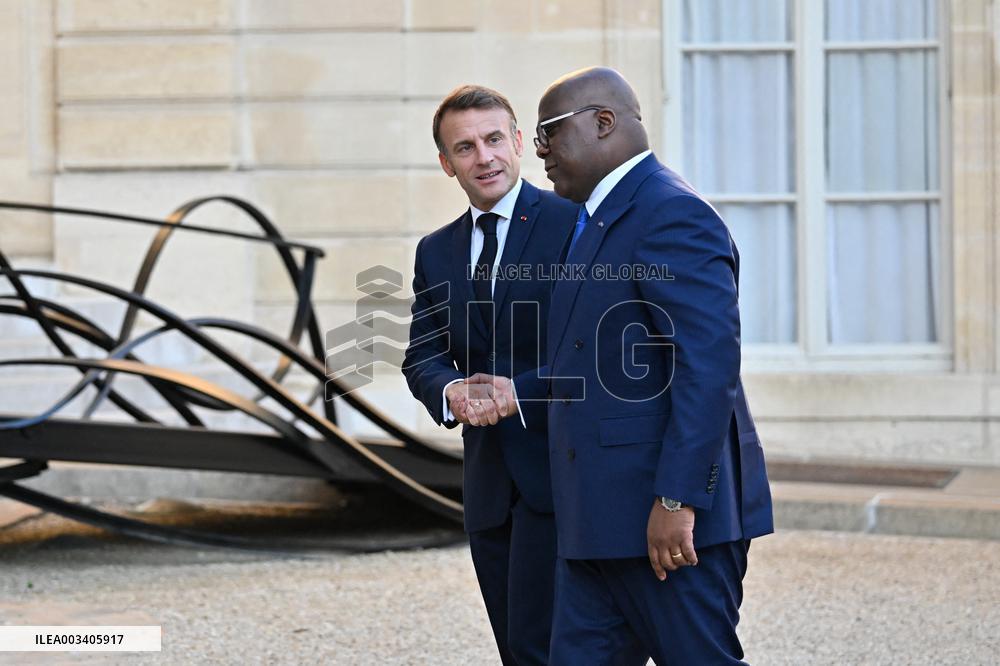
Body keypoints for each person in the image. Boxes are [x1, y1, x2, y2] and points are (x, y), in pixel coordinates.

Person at [466, 67, 774, 664]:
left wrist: (679, 500)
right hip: (593, 530)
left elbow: (706, 369)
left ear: (603, 122)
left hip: (667, 532)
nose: (542, 151)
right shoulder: (592, 221)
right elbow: (592, 365)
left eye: (548, 132)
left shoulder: (671, 213)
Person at [401, 84, 576, 665]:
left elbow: (592, 350)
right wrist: (452, 390)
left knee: (556, 647)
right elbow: (420, 357)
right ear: (446, 164)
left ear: (520, 141)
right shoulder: (434, 251)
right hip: (487, 487)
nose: (485, 157)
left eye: (495, 139)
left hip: (561, 473)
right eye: (466, 147)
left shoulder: (574, 225)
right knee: (516, 651)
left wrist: (515, 395)